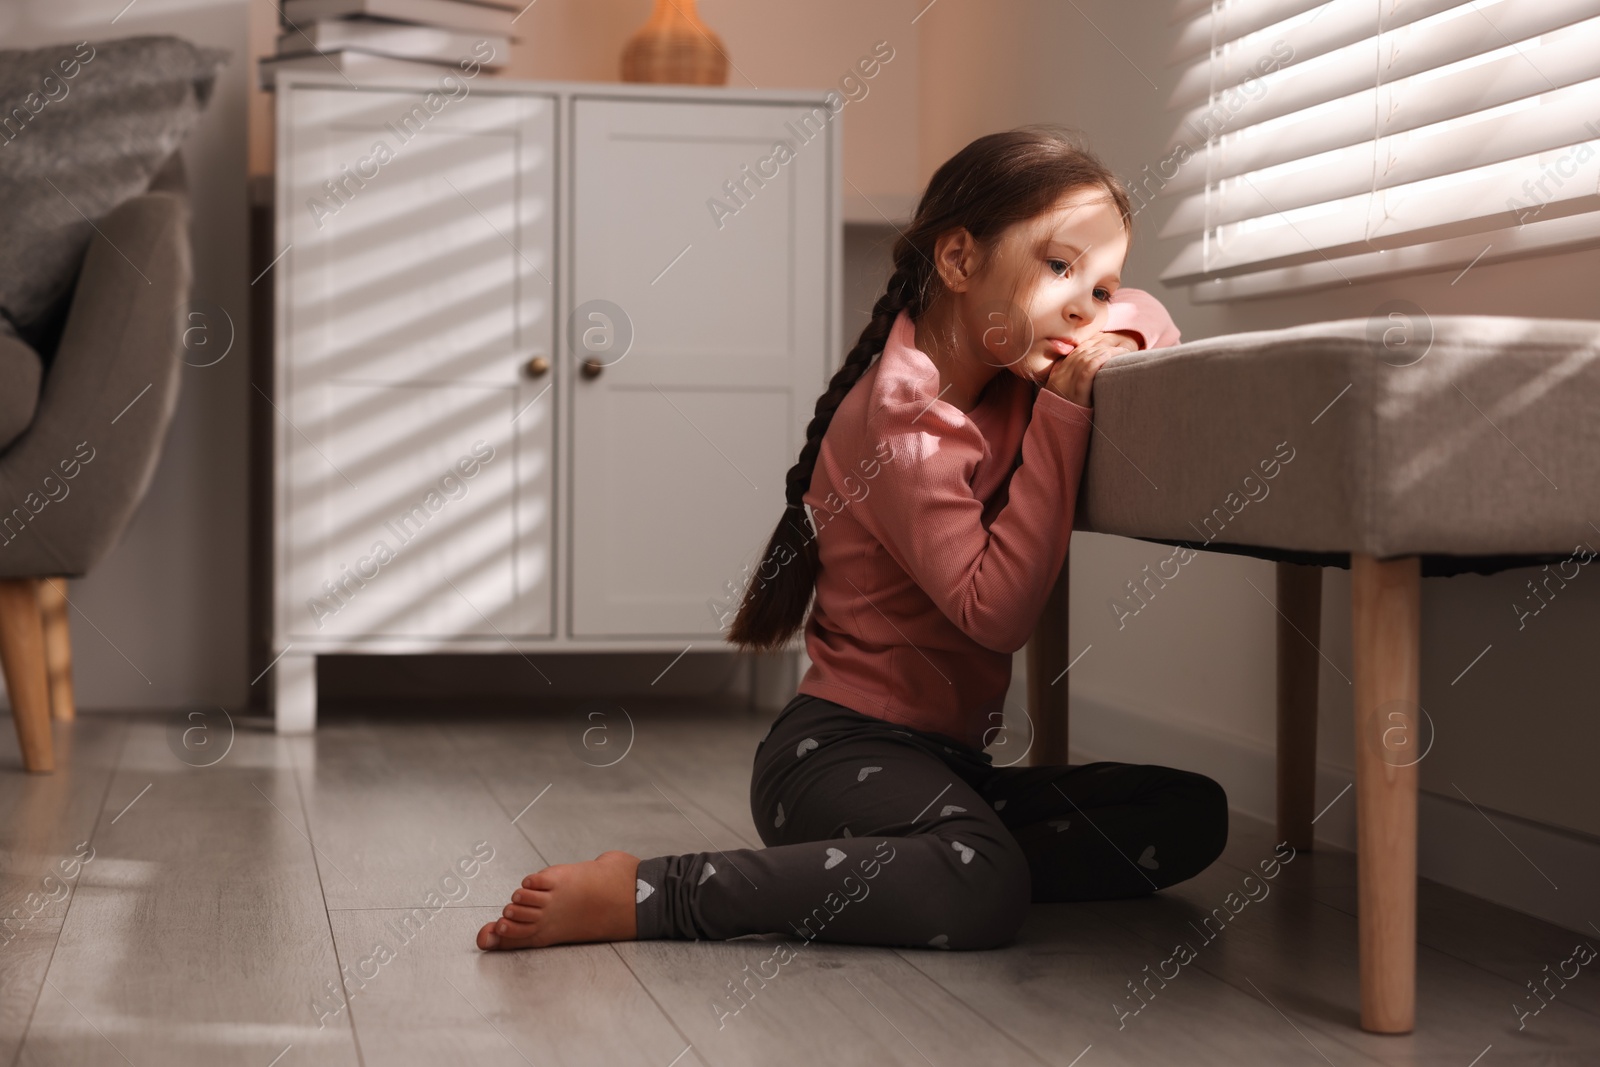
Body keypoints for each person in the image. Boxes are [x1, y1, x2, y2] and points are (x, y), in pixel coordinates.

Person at [476, 126, 1227, 954]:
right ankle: (657, 890)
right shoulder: (904, 421)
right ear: (959, 261)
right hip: (834, 754)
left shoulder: (1019, 367)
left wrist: (1110, 337)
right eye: (1059, 267)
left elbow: (1149, 312)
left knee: (1190, 813)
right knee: (983, 884)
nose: (1087, 304)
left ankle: (904, 871)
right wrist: (1064, 414)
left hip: (948, 764)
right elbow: (997, 612)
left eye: (1101, 280)